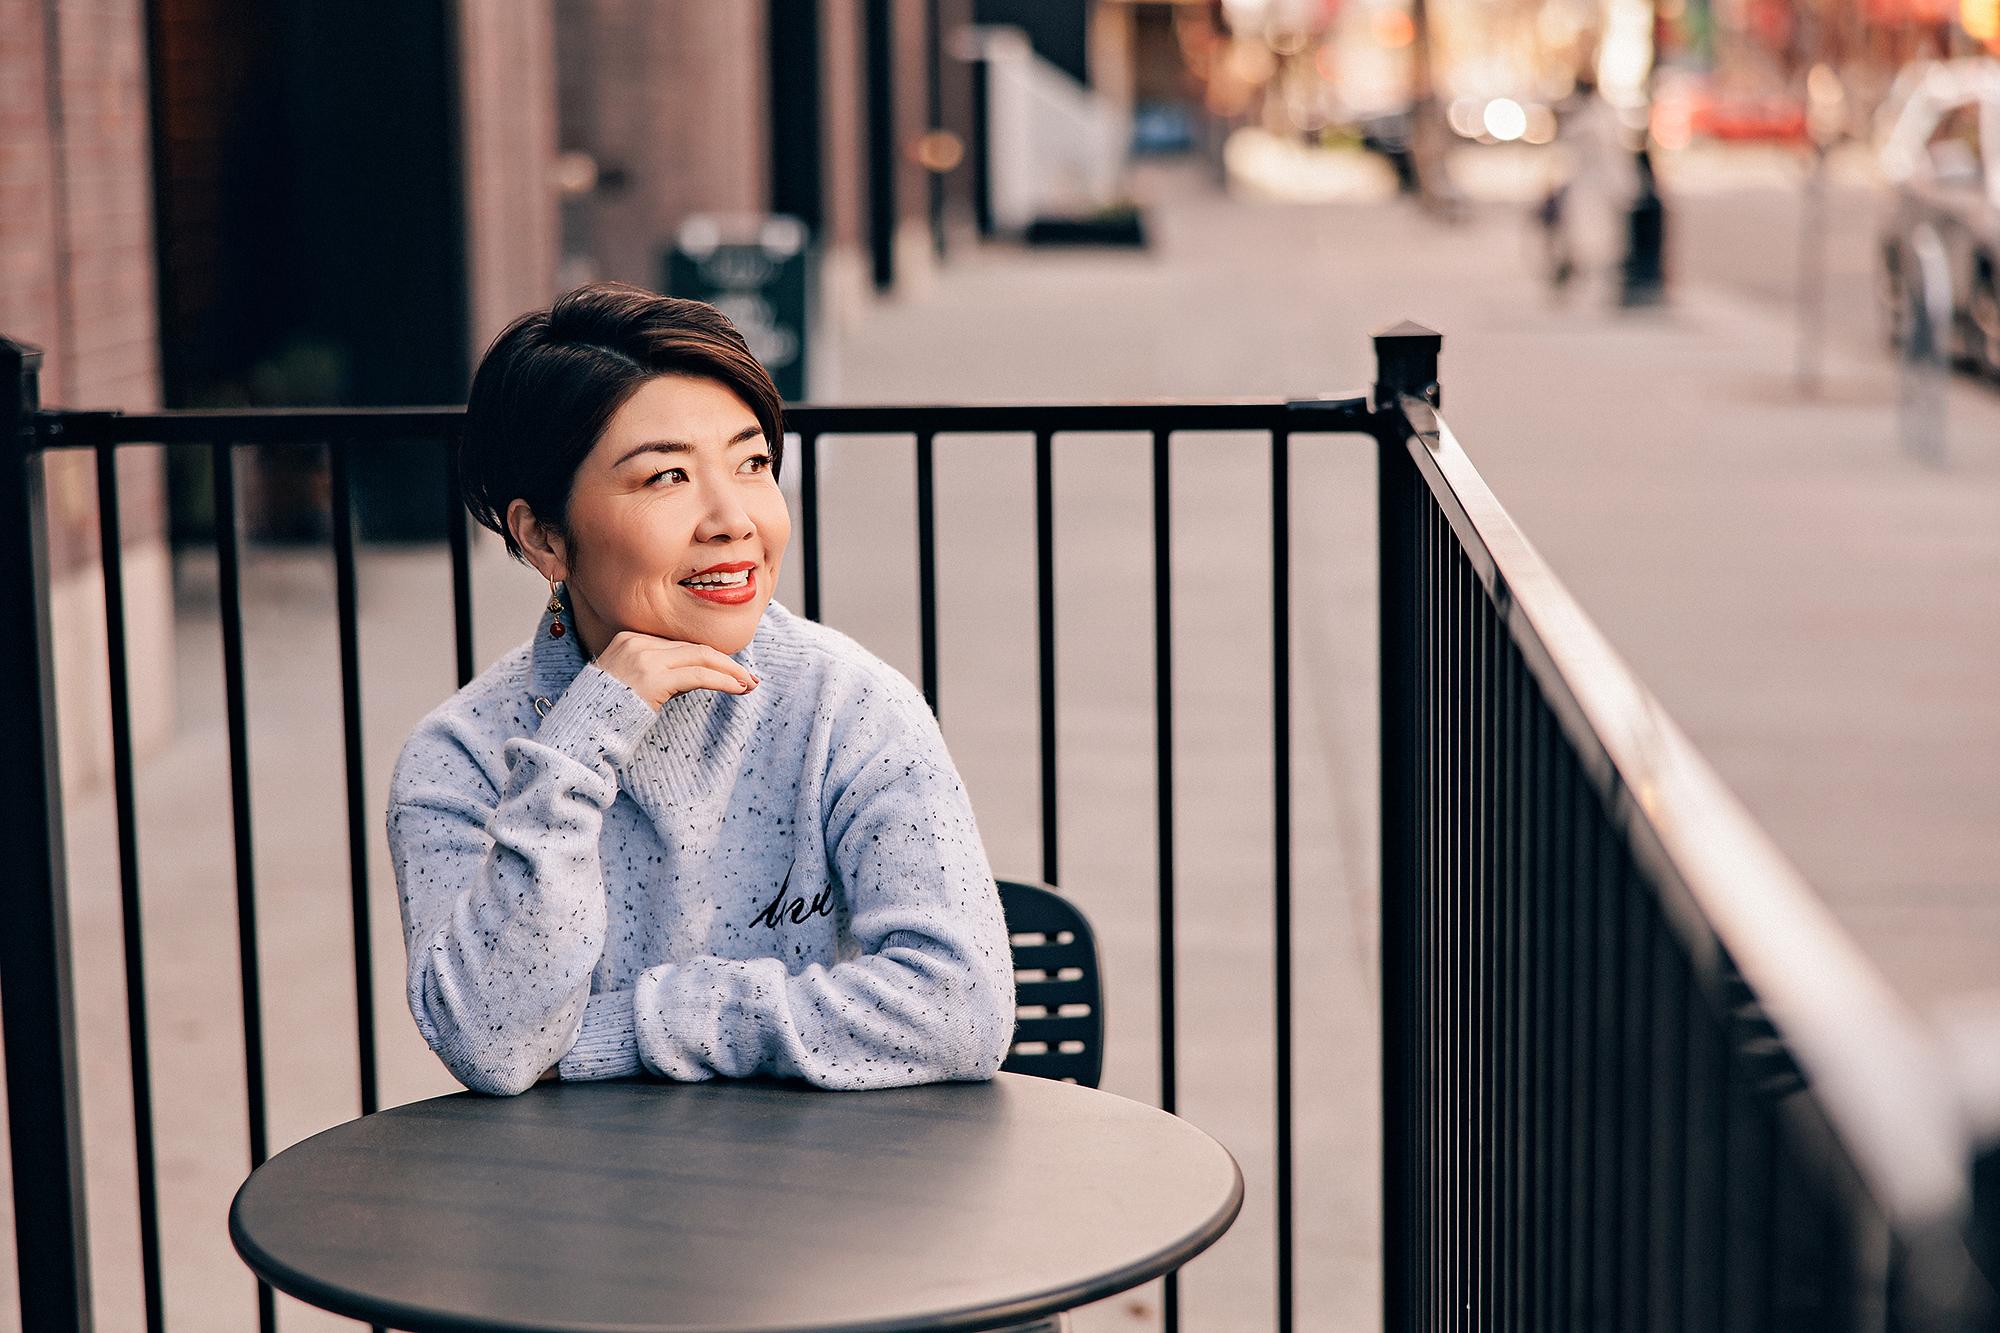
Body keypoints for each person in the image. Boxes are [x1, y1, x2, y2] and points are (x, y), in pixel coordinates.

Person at [387, 281, 1017, 1096]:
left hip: (830, 1198)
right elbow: (494, 1045)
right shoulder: (462, 756)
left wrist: (641, 1022)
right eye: (666, 478)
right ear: (543, 535)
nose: (733, 517)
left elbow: (963, 1010)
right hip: (561, 1206)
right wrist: (580, 745)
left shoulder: (850, 706)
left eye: (752, 463)